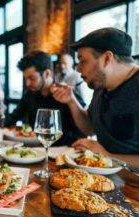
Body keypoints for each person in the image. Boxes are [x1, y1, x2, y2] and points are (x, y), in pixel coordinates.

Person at [51, 27, 139, 169]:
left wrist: (106, 156)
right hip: (106, 178)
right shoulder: (100, 86)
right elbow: (90, 128)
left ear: (107, 58)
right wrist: (71, 101)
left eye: (83, 61)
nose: (78, 69)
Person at [6, 50, 86, 146]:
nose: (27, 83)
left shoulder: (66, 95)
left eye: (32, 78)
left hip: (61, 154)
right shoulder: (29, 95)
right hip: (35, 151)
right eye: (26, 79)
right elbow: (13, 117)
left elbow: (82, 132)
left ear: (47, 74)